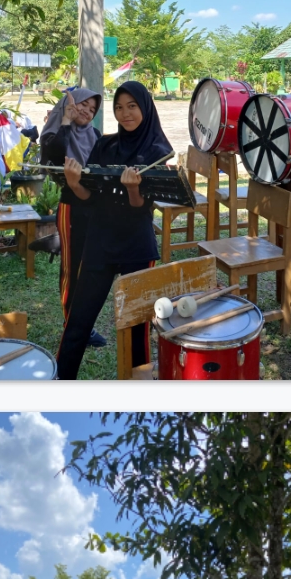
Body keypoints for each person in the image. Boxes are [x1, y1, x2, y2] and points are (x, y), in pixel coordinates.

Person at [55, 81, 173, 380]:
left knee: (137, 328)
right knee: (78, 320)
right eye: (119, 107)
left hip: (136, 246)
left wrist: (133, 189)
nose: (125, 113)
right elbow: (89, 198)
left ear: (145, 108)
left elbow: (140, 208)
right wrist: (75, 184)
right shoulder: (105, 145)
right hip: (100, 241)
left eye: (132, 106)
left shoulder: (158, 150)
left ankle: (138, 389)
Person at [40, 88, 106, 348]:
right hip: (71, 208)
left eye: (92, 109)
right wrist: (66, 119)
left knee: (88, 267)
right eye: (83, 105)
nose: (87, 111)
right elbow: (56, 153)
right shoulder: (56, 133)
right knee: (71, 266)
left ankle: (83, 325)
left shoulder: (95, 135)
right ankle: (72, 326)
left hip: (94, 208)